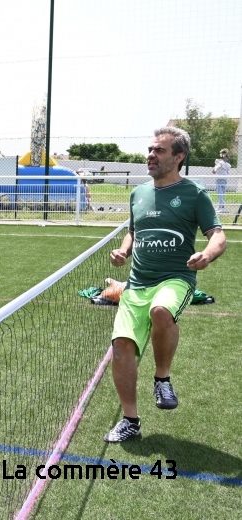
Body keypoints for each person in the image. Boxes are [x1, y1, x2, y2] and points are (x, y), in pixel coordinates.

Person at [103, 127, 226, 443]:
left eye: (159, 150)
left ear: (179, 156)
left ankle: (162, 378)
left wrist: (207, 254)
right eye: (150, 149)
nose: (150, 155)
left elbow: (218, 235)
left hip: (175, 279)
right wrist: (123, 250)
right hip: (136, 283)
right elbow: (134, 230)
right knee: (121, 348)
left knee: (161, 311)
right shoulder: (138, 193)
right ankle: (131, 421)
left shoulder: (194, 194)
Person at [211, 148, 231, 212]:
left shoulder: (220, 162)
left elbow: (217, 167)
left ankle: (222, 208)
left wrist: (214, 170)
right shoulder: (227, 164)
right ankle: (221, 206)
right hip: (224, 180)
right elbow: (227, 172)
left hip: (219, 180)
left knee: (220, 193)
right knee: (222, 193)